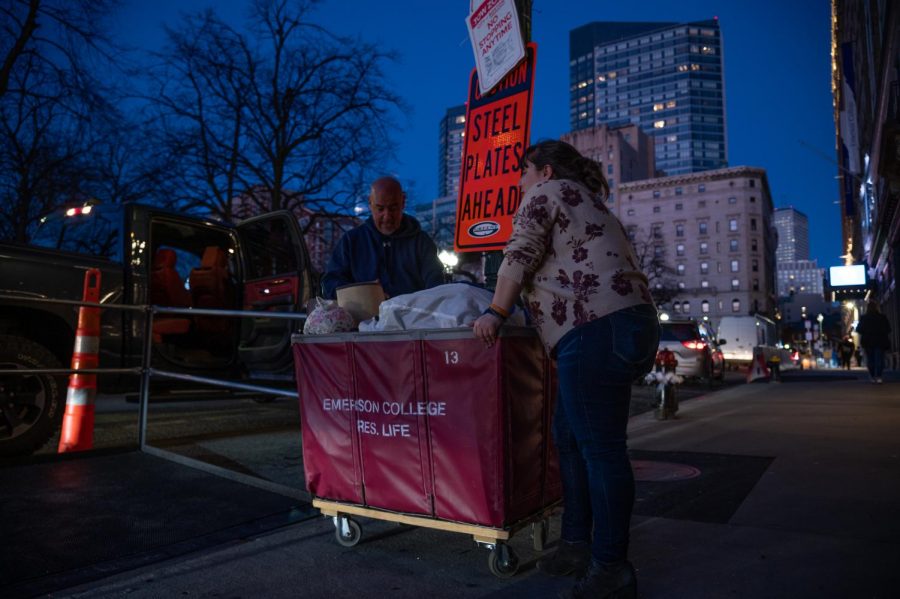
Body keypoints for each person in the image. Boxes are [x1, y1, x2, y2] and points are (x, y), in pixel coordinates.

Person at [472, 140, 658, 599]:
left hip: (593, 325)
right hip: (630, 324)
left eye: (523, 171)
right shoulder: (591, 201)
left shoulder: (546, 193)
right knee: (570, 438)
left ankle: (611, 567)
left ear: (545, 171)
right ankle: (576, 543)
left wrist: (495, 311)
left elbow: (520, 252)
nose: (519, 181)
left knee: (600, 450)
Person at [321, 176, 444, 299]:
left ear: (403, 202)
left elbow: (436, 285)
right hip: (364, 316)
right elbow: (330, 283)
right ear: (370, 204)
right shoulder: (351, 241)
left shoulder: (421, 242)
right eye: (380, 209)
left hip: (411, 316)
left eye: (393, 208)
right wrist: (362, 294)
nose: (387, 216)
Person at [856, 301, 892, 383]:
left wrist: (867, 332)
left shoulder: (864, 318)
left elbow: (859, 329)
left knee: (870, 359)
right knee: (879, 359)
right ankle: (879, 376)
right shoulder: (882, 317)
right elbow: (888, 329)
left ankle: (872, 376)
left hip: (868, 341)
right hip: (880, 341)